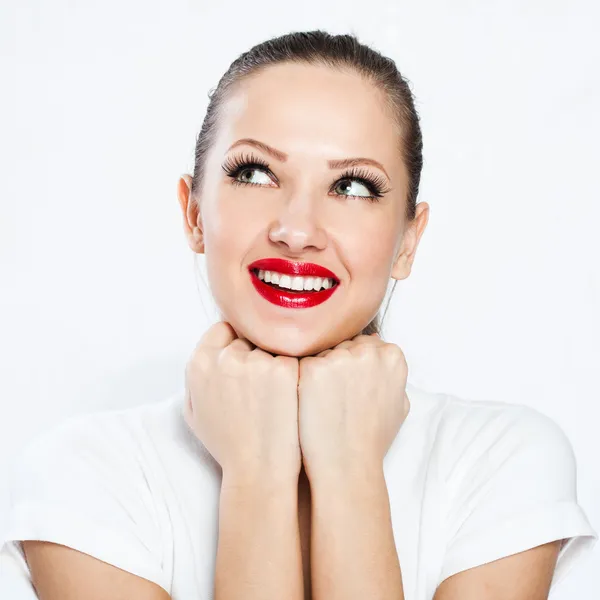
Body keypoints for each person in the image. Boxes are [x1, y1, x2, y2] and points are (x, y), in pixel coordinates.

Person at [0, 29, 597, 600]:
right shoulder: (87, 474)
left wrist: (347, 468)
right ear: (194, 214)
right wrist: (257, 470)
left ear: (409, 241)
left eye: (354, 187)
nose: (297, 230)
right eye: (255, 173)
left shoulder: (500, 463)